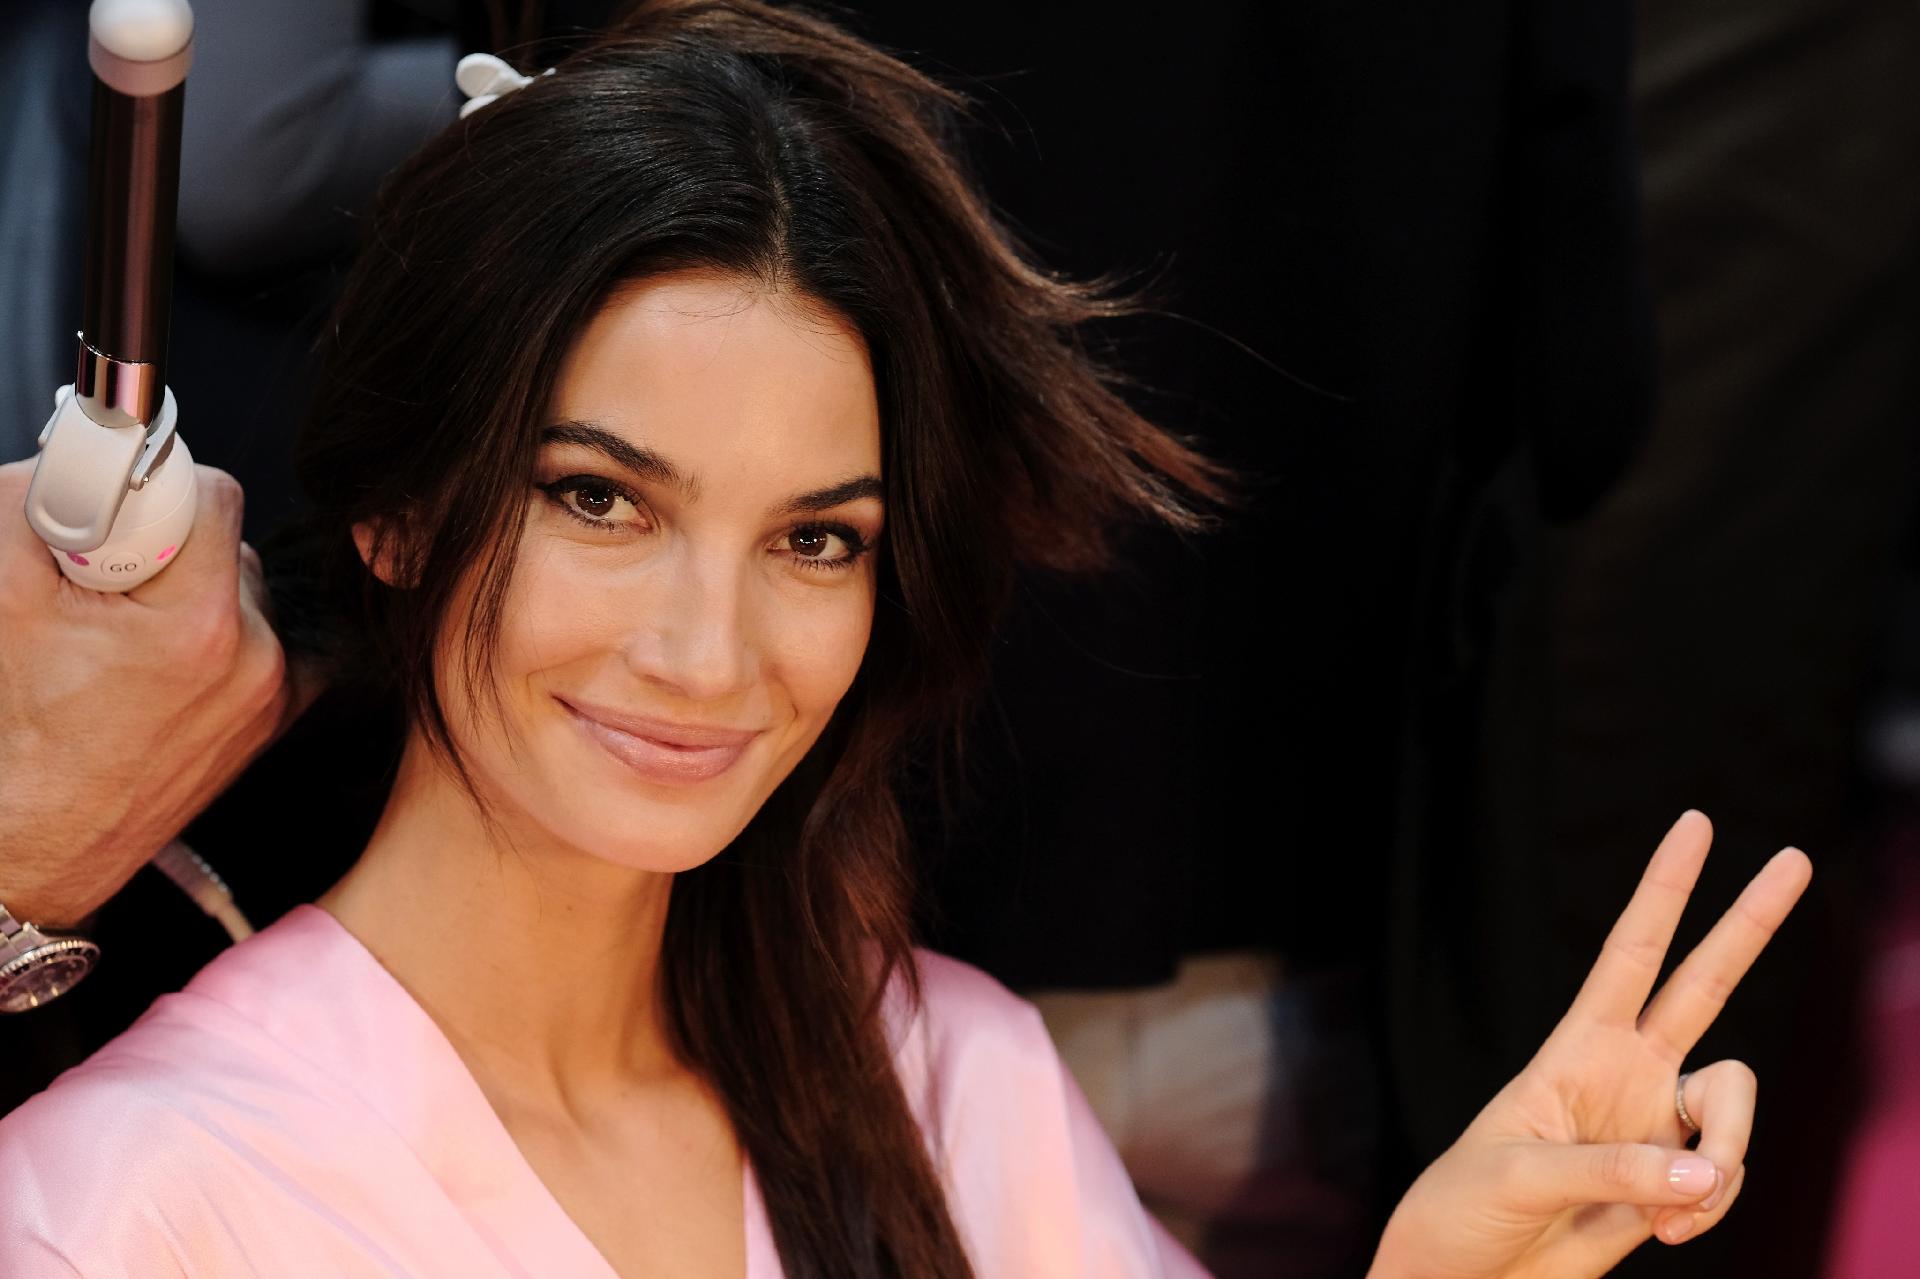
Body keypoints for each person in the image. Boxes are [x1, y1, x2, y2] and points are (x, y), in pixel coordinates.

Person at [0, 3, 1807, 1276]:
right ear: (398, 508)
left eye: (815, 539)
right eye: (603, 500)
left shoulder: (955, 1087)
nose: (710, 654)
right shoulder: (130, 1201)